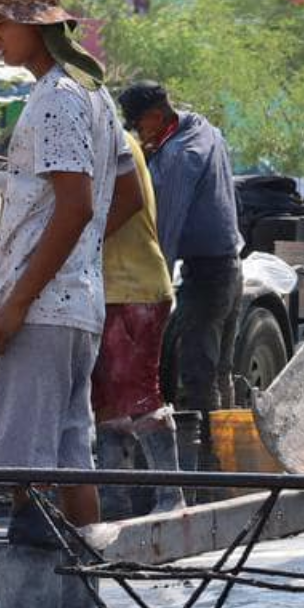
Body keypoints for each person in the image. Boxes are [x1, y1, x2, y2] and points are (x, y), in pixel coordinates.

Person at [0, 0, 116, 539]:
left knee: (26, 468)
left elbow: (74, 207)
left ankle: (33, 602)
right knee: (72, 458)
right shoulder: (92, 95)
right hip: (76, 305)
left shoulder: (57, 97)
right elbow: (114, 191)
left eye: (1, 23)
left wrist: (15, 303)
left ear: (37, 25)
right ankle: (84, 591)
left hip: (45, 309)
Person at [117, 81, 244, 412]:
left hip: (207, 276)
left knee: (196, 375)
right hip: (230, 264)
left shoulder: (179, 157)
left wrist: (154, 300)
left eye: (139, 124)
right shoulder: (202, 127)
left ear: (158, 116)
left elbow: (164, 235)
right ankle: (222, 452)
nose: (137, 133)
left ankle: (204, 458)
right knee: (220, 372)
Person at [92, 121, 185, 517]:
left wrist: (84, 238)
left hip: (133, 287)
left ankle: (170, 497)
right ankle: (115, 501)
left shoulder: (109, 138)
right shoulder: (108, 136)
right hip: (113, 287)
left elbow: (125, 200)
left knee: (139, 395)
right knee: (107, 402)